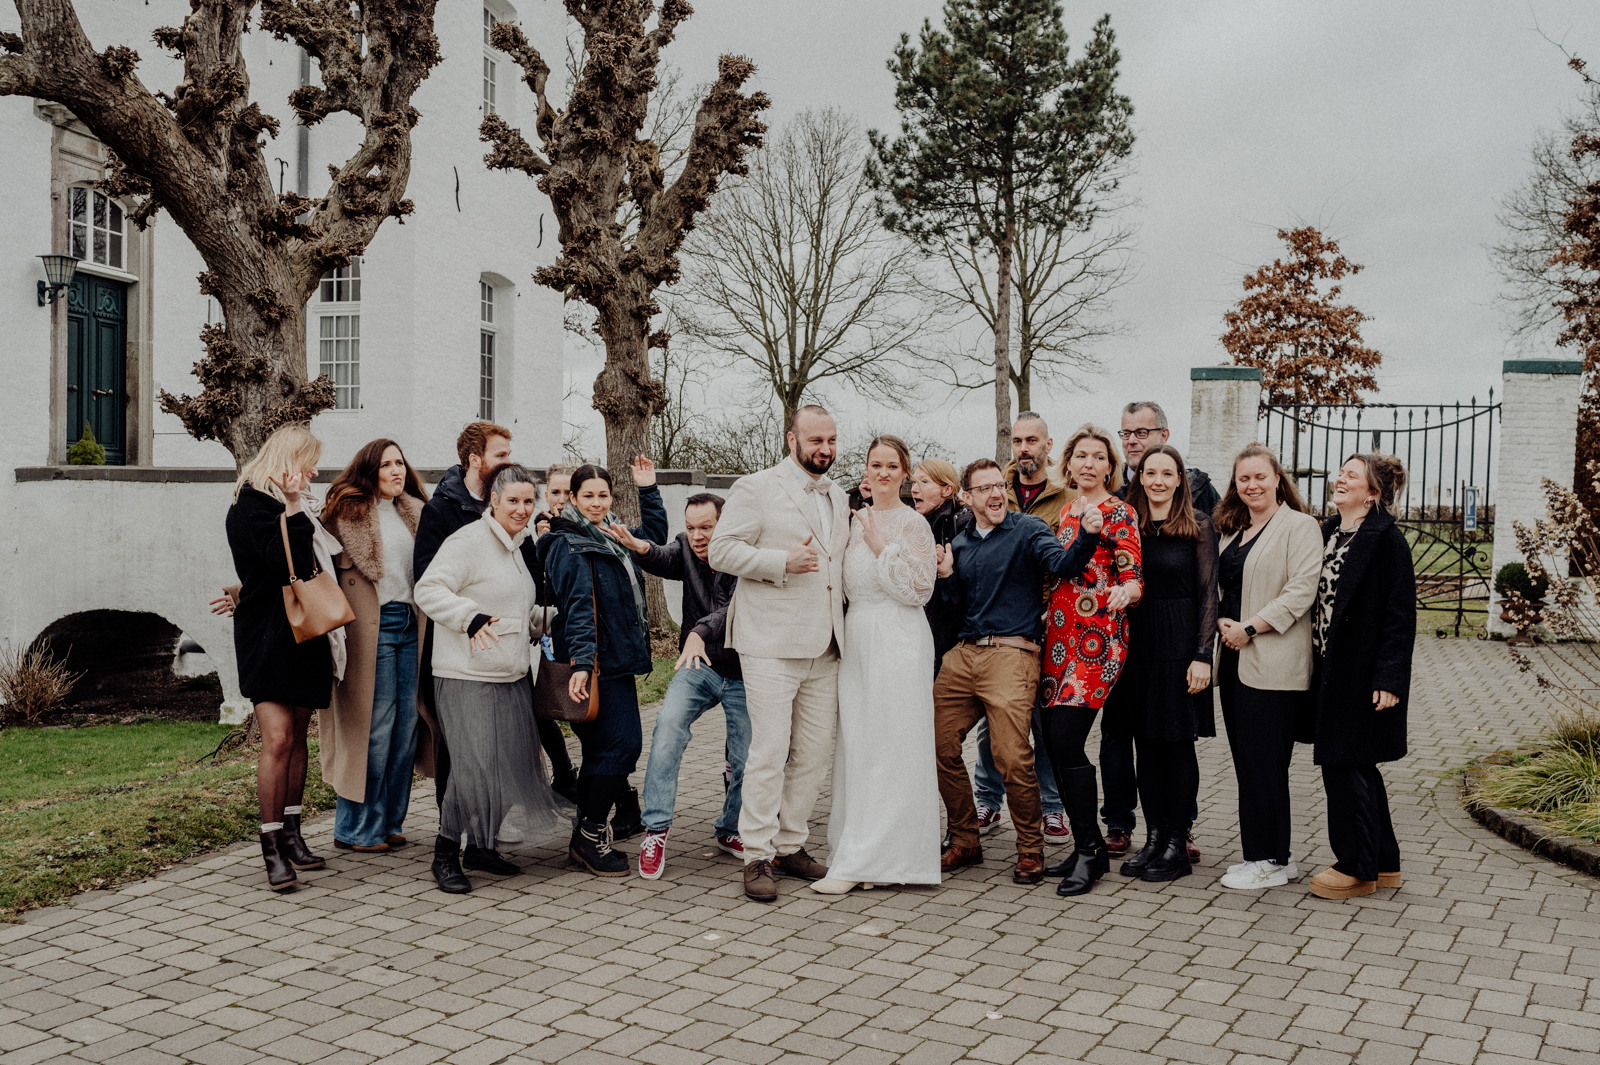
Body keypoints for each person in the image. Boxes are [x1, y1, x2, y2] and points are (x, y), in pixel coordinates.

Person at [934, 458, 1102, 886]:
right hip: (963, 655)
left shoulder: (1028, 530)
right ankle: (965, 838)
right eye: (984, 488)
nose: (995, 494)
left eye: (998, 486)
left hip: (1012, 655)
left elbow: (1064, 566)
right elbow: (959, 604)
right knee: (937, 745)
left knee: (1012, 757)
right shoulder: (962, 541)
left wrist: (1088, 534)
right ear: (967, 497)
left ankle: (1030, 850)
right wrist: (949, 576)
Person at [708, 404, 850, 902]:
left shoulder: (839, 494)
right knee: (769, 752)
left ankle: (791, 845)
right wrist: (780, 561)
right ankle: (756, 855)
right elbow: (719, 549)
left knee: (814, 755)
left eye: (831, 440)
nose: (825, 450)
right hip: (769, 643)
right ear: (791, 439)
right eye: (815, 441)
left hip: (827, 645)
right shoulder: (756, 486)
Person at [413, 464, 574, 893]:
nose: (522, 510)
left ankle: (480, 847)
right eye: (513, 501)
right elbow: (427, 590)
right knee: (471, 770)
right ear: (494, 501)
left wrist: (554, 619)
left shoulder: (519, 547)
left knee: (503, 766)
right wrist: (468, 618)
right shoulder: (468, 541)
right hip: (465, 674)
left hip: (510, 673)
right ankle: (445, 853)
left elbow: (517, 611)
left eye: (528, 501)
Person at [814, 436, 940, 894]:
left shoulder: (913, 525)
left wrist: (884, 547)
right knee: (861, 745)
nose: (883, 473)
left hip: (900, 638)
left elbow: (919, 591)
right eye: (875, 465)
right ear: (865, 471)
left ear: (905, 473)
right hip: (858, 638)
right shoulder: (852, 521)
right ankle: (861, 854)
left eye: (892, 465)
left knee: (896, 745)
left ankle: (887, 859)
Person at [603, 492, 750, 880]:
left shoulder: (743, 553)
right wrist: (641, 547)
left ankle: (730, 828)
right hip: (697, 664)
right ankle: (656, 829)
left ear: (725, 524)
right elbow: (665, 556)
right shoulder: (686, 547)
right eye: (691, 528)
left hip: (741, 669)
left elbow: (733, 607)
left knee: (747, 755)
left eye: (707, 527)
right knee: (667, 729)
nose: (697, 536)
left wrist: (700, 631)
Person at [536, 459, 669, 876]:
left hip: (616, 659)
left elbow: (653, 542)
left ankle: (586, 836)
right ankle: (590, 834)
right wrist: (580, 663)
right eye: (587, 496)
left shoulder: (612, 533)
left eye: (603, 495)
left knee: (600, 750)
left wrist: (648, 490)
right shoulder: (566, 543)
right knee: (623, 746)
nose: (596, 503)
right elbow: (578, 607)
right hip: (595, 662)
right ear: (571, 498)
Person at [1103, 400, 1219, 855]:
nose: (1157, 481)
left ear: (1179, 480)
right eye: (1149, 474)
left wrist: (1202, 655)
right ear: (1139, 479)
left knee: (1176, 745)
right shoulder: (1126, 523)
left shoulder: (1198, 525)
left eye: (1166, 474)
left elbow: (1209, 593)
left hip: (1179, 647)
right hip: (1135, 645)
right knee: (1145, 743)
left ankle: (1176, 835)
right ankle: (1152, 837)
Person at [224, 425, 337, 892]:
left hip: (305, 633)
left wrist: (298, 507)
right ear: (286, 461)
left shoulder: (296, 506)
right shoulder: (250, 505)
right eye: (308, 461)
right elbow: (280, 560)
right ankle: (270, 846)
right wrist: (293, 506)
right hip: (267, 636)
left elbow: (314, 566)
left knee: (298, 739)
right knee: (277, 738)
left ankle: (292, 834)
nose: (314, 471)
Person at [1038, 425, 1143, 897]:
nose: (1088, 464)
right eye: (1081, 456)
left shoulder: (1119, 511)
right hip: (1058, 639)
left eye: (1098, 457)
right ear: (1069, 462)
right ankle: (1089, 845)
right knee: (1053, 740)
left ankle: (1089, 852)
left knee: (1066, 737)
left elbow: (1133, 572)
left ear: (1109, 466)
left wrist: (1128, 591)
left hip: (1098, 640)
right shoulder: (1065, 512)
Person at [1213, 443, 1322, 891]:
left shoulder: (1300, 526)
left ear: (1278, 478)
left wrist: (1251, 628)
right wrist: (1223, 617)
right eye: (1244, 479)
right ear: (1235, 486)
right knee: (1247, 764)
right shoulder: (1232, 531)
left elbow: (1301, 591)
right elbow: (1227, 588)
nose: (1252, 485)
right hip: (1233, 663)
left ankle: (1273, 860)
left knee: (1266, 765)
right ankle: (1267, 853)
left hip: (1272, 663)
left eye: (1260, 476)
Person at [1307, 454, 1415, 900]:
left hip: (1363, 674)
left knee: (1344, 765)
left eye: (1351, 476)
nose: (1340, 479)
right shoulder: (1329, 532)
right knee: (1358, 766)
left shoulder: (1386, 540)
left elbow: (1399, 616)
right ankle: (1385, 861)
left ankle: (1357, 867)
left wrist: (1389, 679)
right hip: (1331, 670)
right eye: (1340, 472)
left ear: (1372, 492)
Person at [320, 439, 431, 855]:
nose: (396, 471)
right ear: (370, 470)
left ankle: (389, 821)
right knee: (375, 731)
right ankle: (356, 828)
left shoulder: (418, 513)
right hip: (371, 631)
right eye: (386, 464)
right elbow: (308, 566)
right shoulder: (342, 515)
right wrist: (243, 594)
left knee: (406, 729)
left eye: (400, 462)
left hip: (411, 627)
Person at [969, 413, 1074, 846]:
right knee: (991, 722)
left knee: (1041, 721)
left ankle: (1052, 808)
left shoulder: (1065, 499)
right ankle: (988, 799)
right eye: (1017, 441)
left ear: (1049, 445)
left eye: (1032, 440)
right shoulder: (995, 492)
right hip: (1002, 626)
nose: (1024, 448)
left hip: (1050, 624)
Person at [911, 459, 971, 674]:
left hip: (952, 642)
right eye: (914, 482)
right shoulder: (914, 522)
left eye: (924, 482)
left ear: (947, 489)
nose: (914, 488)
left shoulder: (963, 524)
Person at [535, 463, 575, 537]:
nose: (562, 500)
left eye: (568, 493)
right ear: (546, 496)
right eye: (555, 492)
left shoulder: (589, 526)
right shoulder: (542, 525)